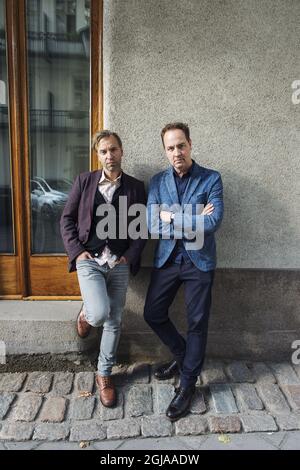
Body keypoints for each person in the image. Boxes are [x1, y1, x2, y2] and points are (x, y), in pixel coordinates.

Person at [144, 122, 224, 421]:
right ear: (165, 151)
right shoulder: (157, 182)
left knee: (197, 323)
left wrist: (171, 215)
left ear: (190, 144)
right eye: (170, 147)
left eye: (181, 145)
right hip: (167, 258)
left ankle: (188, 385)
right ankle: (183, 357)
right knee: (152, 313)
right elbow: (153, 224)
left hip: (198, 261)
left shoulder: (211, 179)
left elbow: (213, 222)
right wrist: (193, 215)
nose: (176, 152)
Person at [61, 130, 146, 407]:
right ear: (97, 155)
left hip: (119, 262)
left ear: (121, 151)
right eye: (103, 151)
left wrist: (130, 256)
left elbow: (141, 228)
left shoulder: (135, 187)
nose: (109, 156)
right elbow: (67, 220)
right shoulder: (84, 182)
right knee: (99, 312)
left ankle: (104, 373)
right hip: (90, 261)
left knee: (115, 318)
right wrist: (77, 252)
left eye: (113, 150)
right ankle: (86, 314)